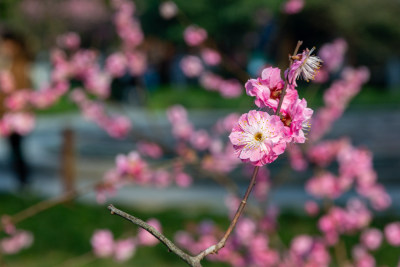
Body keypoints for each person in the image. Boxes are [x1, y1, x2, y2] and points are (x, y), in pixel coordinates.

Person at [0, 30, 32, 189]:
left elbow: (23, 89)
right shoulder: (7, 63)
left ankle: (23, 180)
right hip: (7, 114)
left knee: (16, 148)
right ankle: (21, 178)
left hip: (16, 116)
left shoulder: (19, 65)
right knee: (14, 148)